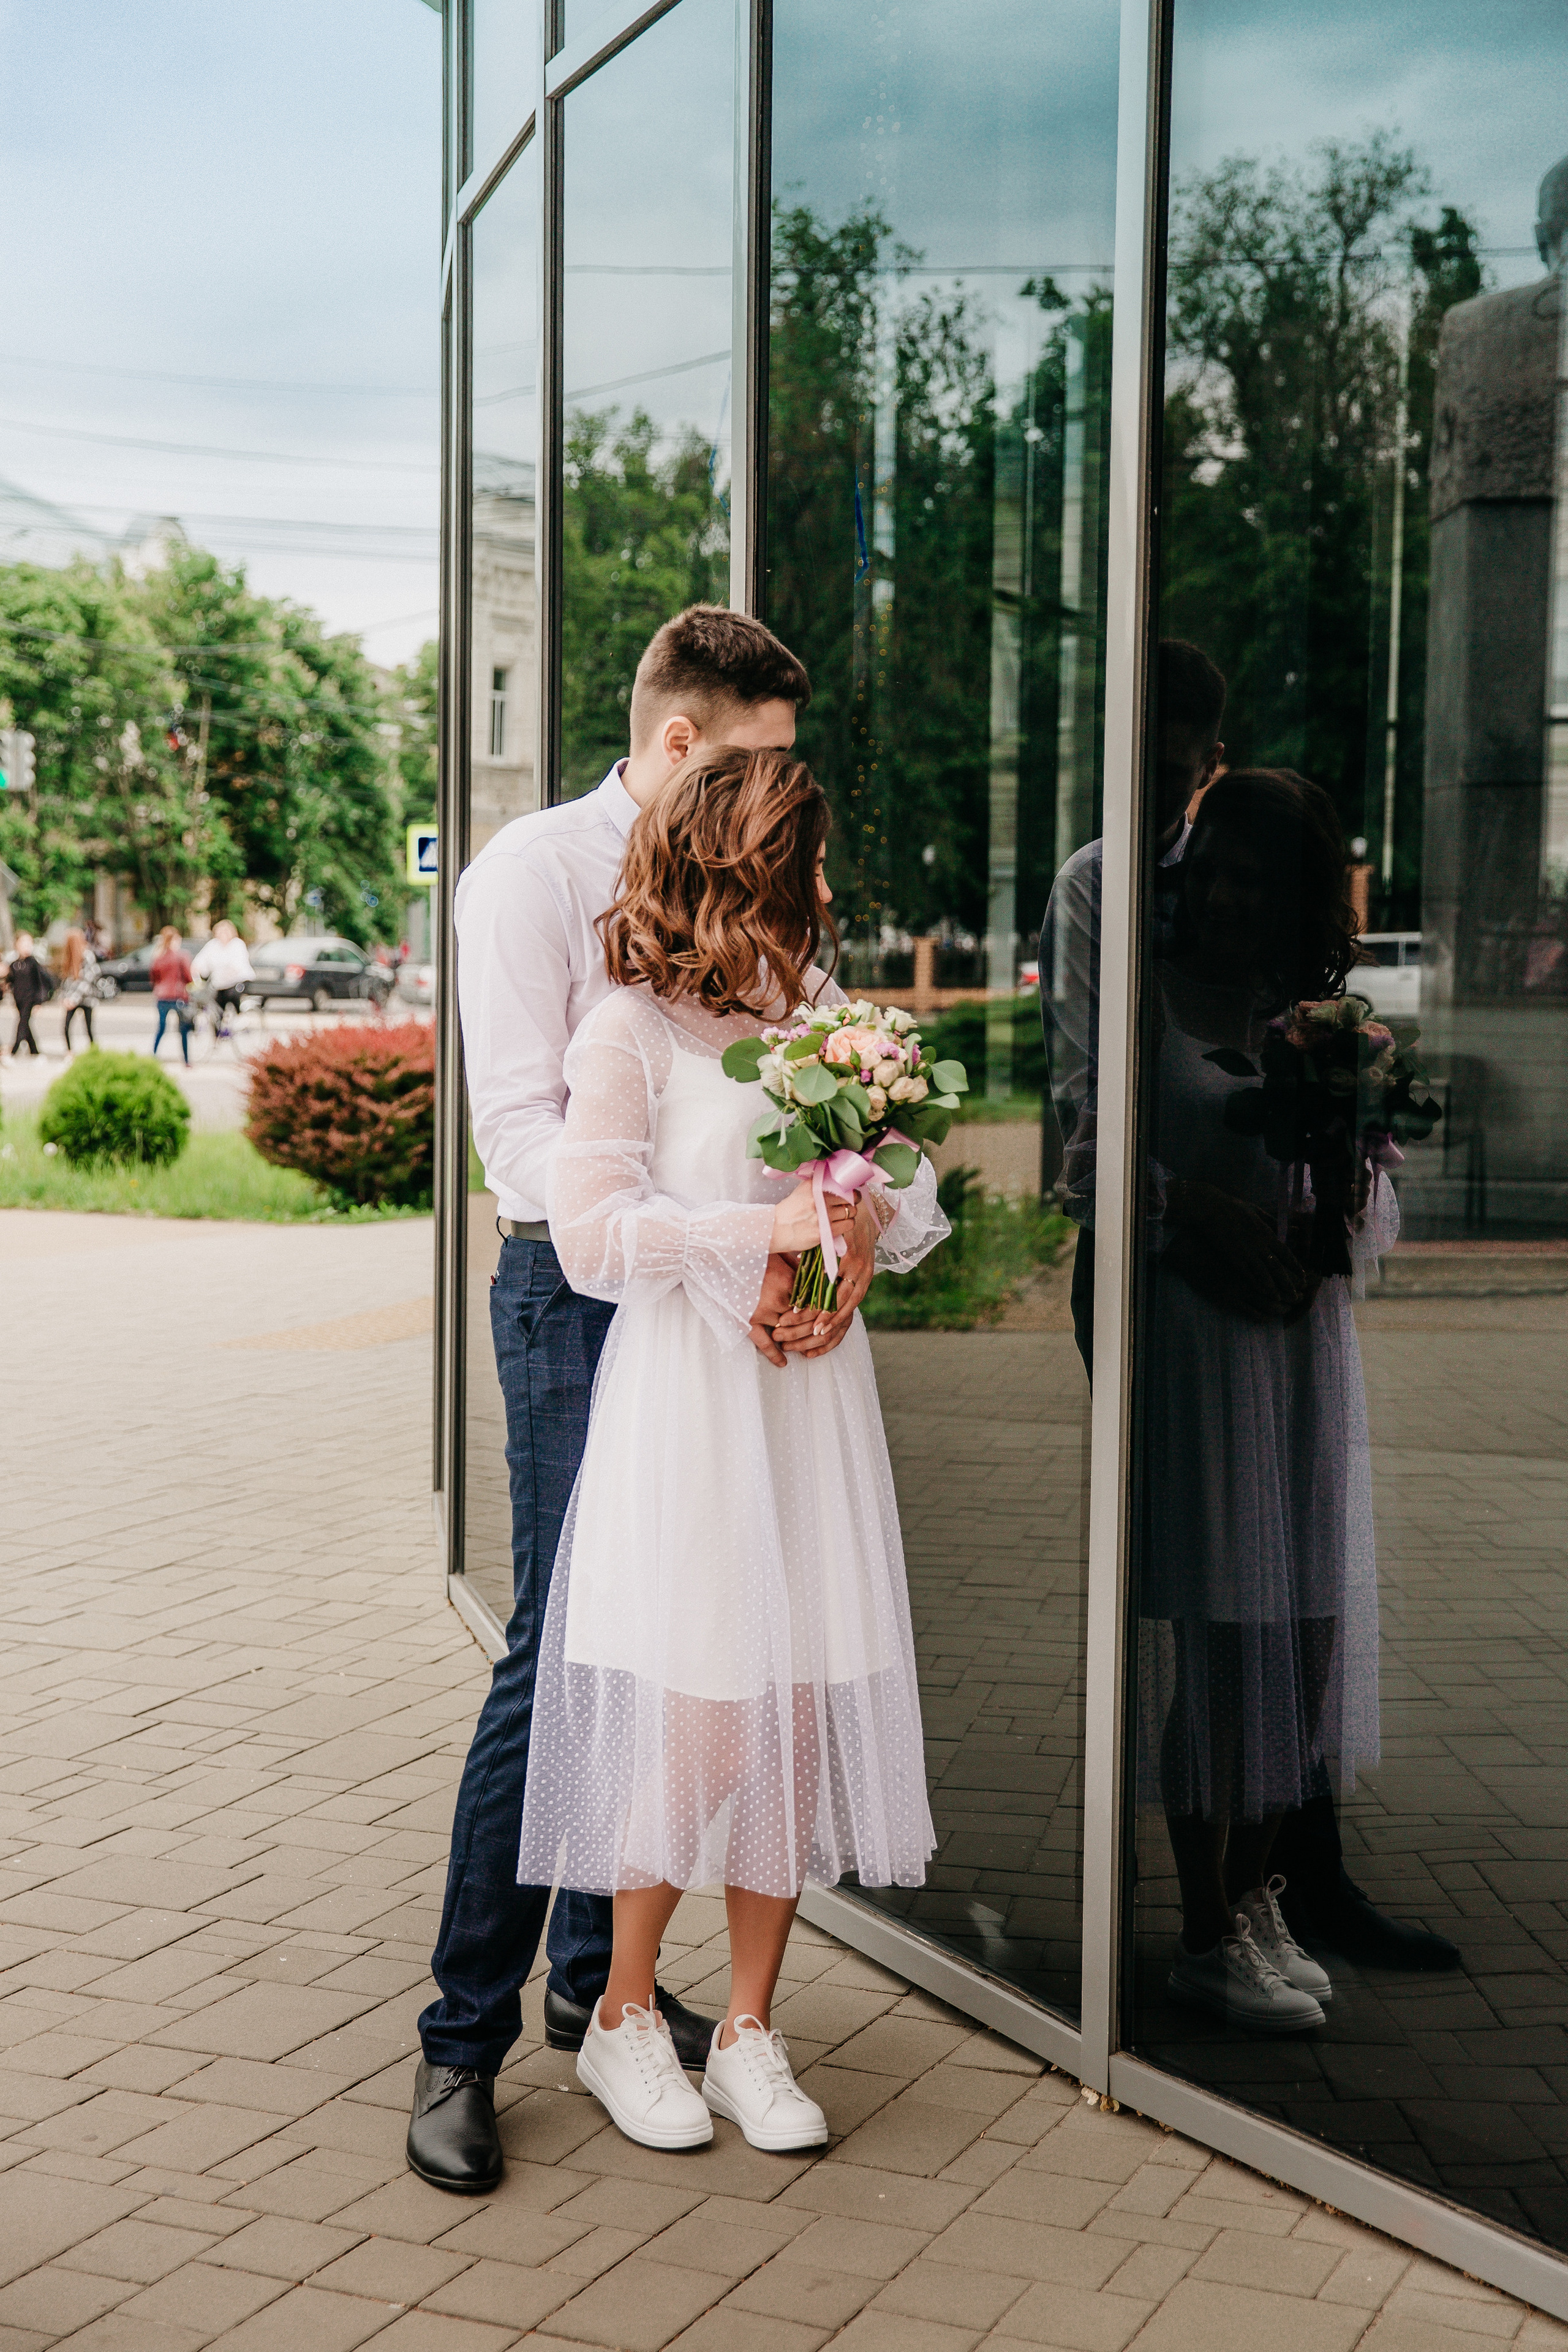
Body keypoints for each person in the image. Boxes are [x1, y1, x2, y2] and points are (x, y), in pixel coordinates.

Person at [410, 605, 883, 2193]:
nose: (783, 805)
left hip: (738, 1313)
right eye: (760, 766)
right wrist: (730, 1225)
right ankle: (463, 2040)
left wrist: (825, 1231)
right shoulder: (527, 875)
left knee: (727, 1647)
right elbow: (531, 1152)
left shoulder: (773, 918)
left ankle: (597, 1987)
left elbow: (836, 1128)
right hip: (578, 1291)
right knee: (569, 1644)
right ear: (686, 744)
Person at [518, 744, 943, 2152]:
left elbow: (898, 1173)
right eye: (801, 859)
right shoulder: (626, 1030)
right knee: (701, 1719)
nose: (821, 885)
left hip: (804, 1398)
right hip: (692, 1403)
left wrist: (852, 1247)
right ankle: (625, 2014)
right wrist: (753, 1235)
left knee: (796, 1711)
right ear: (730, 867)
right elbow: (588, 1236)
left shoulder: (822, 1014)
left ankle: (751, 2028)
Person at [1038, 646, 1458, 1978]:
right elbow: (1079, 1129)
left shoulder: (1256, 898)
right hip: (1172, 1300)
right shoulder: (1104, 892)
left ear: (1206, 758)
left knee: (1300, 1600)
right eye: (1151, 768)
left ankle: (1285, 1883)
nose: (1172, 798)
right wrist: (1197, 1222)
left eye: (1183, 767)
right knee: (1217, 1598)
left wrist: (1325, 1199)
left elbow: (1339, 1156)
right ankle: (1218, 1909)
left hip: (1288, 1316)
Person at [1142, 771, 1389, 2029]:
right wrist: (1201, 1218)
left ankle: (1256, 1901)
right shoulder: (1152, 1003)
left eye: (1259, 875)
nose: (1233, 892)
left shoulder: (1316, 1015)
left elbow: (1372, 1205)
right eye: (1219, 868)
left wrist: (1347, 1183)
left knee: (1299, 1632)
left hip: (1300, 1342)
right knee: (1226, 1631)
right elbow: (1110, 1172)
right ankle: (1200, 1929)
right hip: (1203, 1348)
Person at [191, 919, 254, 1031]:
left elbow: (239, 964)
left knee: (233, 996)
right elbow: (201, 961)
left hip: (237, 981)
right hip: (219, 983)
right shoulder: (213, 945)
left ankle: (241, 1018)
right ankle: (218, 1032)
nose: (222, 935)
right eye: (220, 932)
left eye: (225, 932)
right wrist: (197, 970)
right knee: (215, 1004)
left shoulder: (237, 945)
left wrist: (230, 972)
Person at [148, 927, 195, 1063]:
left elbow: (154, 978)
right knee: (184, 1029)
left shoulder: (158, 957)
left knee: (161, 1028)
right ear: (175, 940)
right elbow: (189, 978)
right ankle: (186, 1060)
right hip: (179, 997)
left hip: (162, 996)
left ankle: (154, 1055)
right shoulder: (182, 956)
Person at [4, 933, 50, 1056]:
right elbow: (11, 980)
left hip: (30, 999)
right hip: (19, 999)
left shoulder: (33, 963)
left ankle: (13, 1050)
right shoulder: (14, 964)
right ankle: (34, 1050)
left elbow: (41, 982)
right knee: (25, 1024)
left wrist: (39, 1001)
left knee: (22, 1024)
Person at [58, 927, 101, 1050]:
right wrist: (64, 998)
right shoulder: (70, 957)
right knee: (66, 1027)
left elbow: (87, 980)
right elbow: (67, 981)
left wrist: (73, 999)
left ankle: (94, 1051)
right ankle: (70, 1052)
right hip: (72, 999)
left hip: (86, 998)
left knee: (88, 1028)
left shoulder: (87, 956)